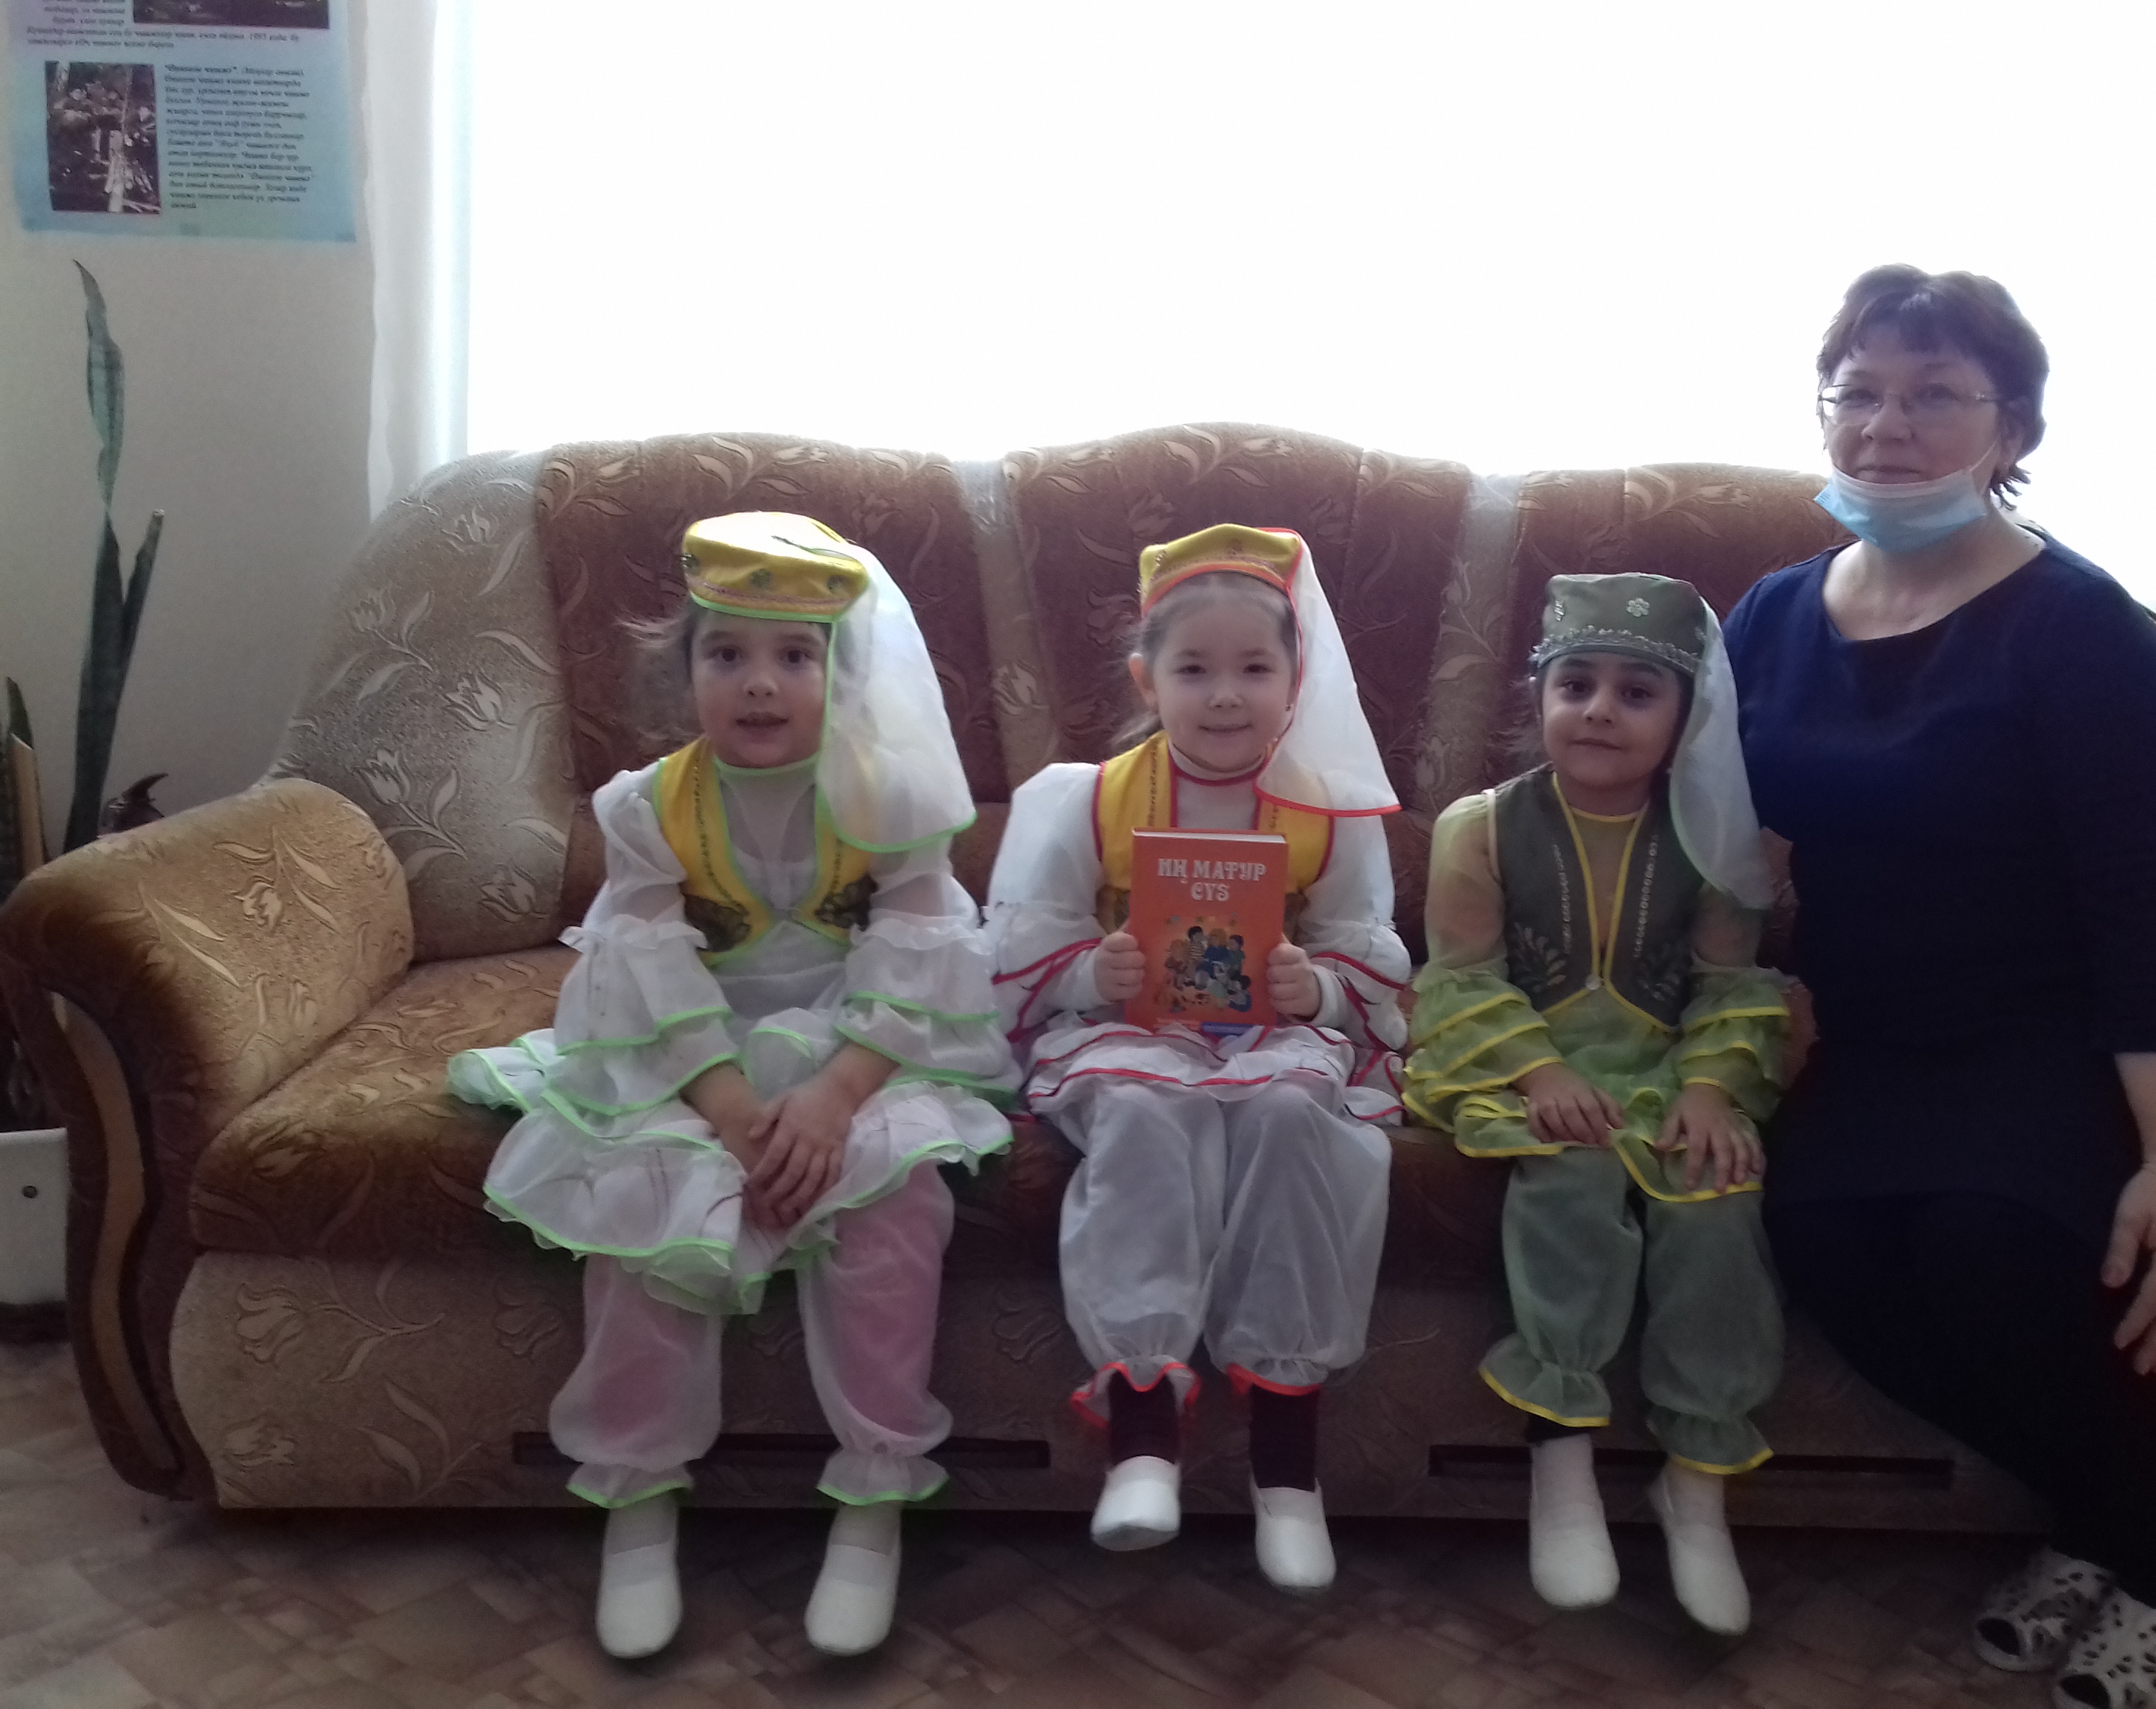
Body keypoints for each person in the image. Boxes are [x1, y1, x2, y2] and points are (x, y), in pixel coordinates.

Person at [1722, 266, 2156, 1709]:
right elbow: (1716, 849)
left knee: (1994, 1247)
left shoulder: (2084, 630)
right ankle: (2101, 1516)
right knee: (1824, 1240)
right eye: (1859, 392)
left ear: (2012, 426)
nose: (1888, 425)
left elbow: (2146, 908)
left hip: (2086, 1019)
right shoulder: (1768, 615)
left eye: (1936, 394)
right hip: (1890, 1027)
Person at [448, 513, 1015, 1662]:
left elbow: (917, 960)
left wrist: (836, 1096)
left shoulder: (890, 800)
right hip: (690, 1054)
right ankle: (639, 1495)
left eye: (795, 656)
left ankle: (873, 1492)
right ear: (686, 670)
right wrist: (727, 1106)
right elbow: (648, 969)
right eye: (728, 654)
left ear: (842, 677)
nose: (760, 683)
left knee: (893, 1200)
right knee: (644, 1199)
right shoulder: (648, 807)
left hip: (862, 1051)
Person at [984, 523, 1409, 1593]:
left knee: (1291, 1115)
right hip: (1136, 1036)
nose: (1226, 697)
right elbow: (1027, 944)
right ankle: (1142, 1434)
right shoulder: (1087, 797)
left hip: (1272, 1038)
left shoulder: (1330, 809)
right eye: (1194, 670)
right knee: (1144, 1113)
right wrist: (1094, 974)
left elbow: (1362, 946)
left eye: (1255, 669)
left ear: (1296, 680)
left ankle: (1287, 1461)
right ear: (1147, 678)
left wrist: (1318, 988)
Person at [1403, 574, 1788, 1635]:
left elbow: (1731, 987)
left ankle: (1694, 1483)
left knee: (1716, 1194)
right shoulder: (1481, 827)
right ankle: (1560, 1458)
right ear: (1539, 696)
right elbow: (1462, 979)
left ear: (1687, 718)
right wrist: (1540, 1073)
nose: (1600, 712)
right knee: (1569, 1172)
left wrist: (1709, 1089)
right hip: (1517, 1068)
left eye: (1637, 692)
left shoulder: (1716, 837)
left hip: (1666, 1071)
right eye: (1575, 685)